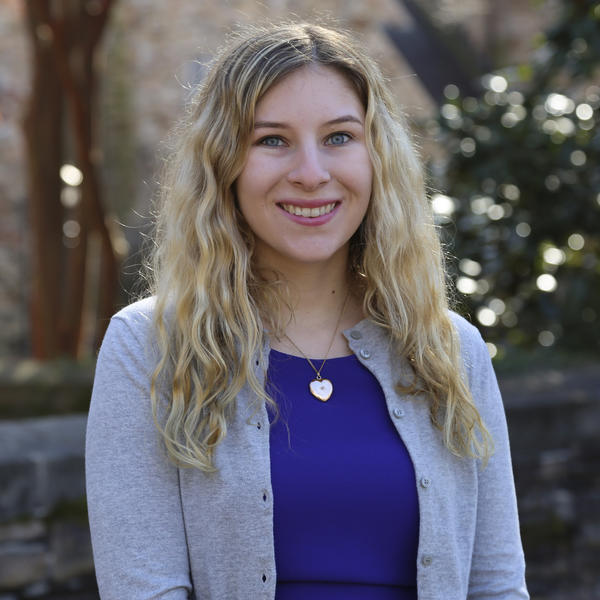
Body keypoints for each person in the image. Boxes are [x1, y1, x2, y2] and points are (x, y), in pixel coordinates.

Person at [86, 22, 529, 600]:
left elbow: (496, 586)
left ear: (378, 156)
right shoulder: (147, 349)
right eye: (273, 140)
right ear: (224, 164)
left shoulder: (450, 349)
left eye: (340, 137)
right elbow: (143, 587)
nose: (312, 173)